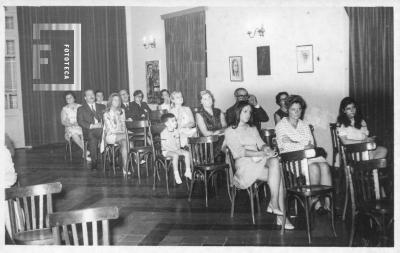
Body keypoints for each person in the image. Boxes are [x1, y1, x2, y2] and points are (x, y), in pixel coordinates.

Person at [225, 101, 293, 229]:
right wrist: (262, 153)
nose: (248, 114)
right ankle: (281, 216)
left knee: (275, 161)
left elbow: (261, 143)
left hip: (258, 158)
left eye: (250, 112)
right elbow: (240, 152)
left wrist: (266, 149)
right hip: (244, 165)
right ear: (237, 112)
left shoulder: (252, 128)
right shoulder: (230, 131)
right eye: (245, 111)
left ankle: (274, 204)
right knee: (278, 178)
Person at [275, 95, 332, 214]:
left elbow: (312, 145)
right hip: (292, 160)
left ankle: (328, 204)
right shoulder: (281, 125)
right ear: (287, 110)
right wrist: (302, 145)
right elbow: (284, 148)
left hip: (309, 156)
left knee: (325, 166)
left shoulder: (304, 125)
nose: (296, 112)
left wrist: (293, 142)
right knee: (315, 168)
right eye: (293, 109)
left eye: (299, 109)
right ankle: (313, 202)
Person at [77, 89, 106, 170]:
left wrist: (102, 125)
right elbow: (80, 121)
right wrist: (92, 126)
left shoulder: (102, 106)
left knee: (107, 133)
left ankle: (111, 158)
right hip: (89, 131)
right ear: (85, 98)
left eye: (92, 94)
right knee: (92, 134)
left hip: (102, 129)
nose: (91, 96)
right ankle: (94, 161)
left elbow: (107, 118)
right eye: (89, 95)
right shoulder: (81, 109)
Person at [160, 113, 192, 184]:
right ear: (167, 124)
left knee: (187, 153)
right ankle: (176, 174)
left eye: (175, 120)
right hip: (166, 151)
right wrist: (175, 149)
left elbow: (178, 143)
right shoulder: (163, 133)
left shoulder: (176, 131)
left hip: (175, 149)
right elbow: (165, 146)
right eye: (173, 121)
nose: (176, 122)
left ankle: (188, 171)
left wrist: (178, 148)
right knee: (175, 155)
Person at [103, 93, 129, 175]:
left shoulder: (122, 111)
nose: (117, 101)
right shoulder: (106, 113)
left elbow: (124, 125)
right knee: (129, 139)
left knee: (125, 142)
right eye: (115, 100)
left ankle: (125, 168)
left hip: (122, 136)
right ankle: (136, 157)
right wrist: (123, 132)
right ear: (111, 101)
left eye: (118, 100)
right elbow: (111, 129)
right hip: (110, 136)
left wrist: (124, 131)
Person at [61, 91, 87, 160]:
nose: (69, 99)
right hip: (69, 127)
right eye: (67, 98)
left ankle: (85, 153)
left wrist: (78, 123)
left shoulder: (80, 107)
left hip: (80, 126)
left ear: (74, 98)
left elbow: (84, 118)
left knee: (84, 133)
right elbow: (63, 122)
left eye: (70, 97)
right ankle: (85, 151)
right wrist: (70, 124)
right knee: (74, 134)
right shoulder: (64, 109)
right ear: (66, 100)